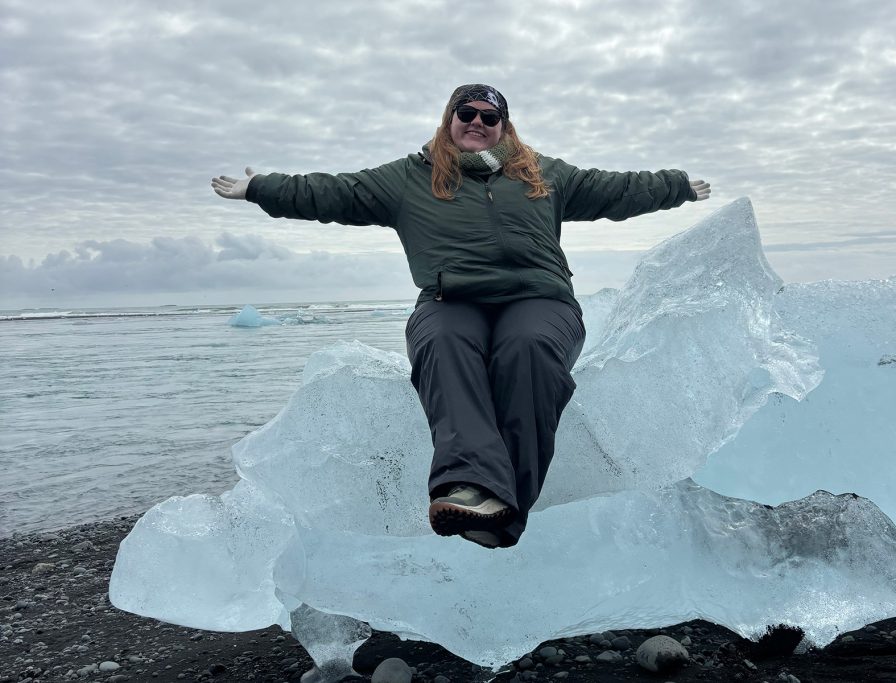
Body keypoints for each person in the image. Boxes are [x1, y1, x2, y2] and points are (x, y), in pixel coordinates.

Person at [211, 84, 710, 549]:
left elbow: (617, 190)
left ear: (504, 125)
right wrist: (262, 188)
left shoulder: (544, 174)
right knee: (444, 347)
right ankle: (469, 487)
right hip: (450, 303)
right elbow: (333, 192)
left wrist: (676, 185)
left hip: (540, 300)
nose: (476, 122)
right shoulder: (409, 177)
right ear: (449, 118)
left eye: (489, 116)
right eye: (465, 113)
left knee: (528, 350)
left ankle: (502, 512)